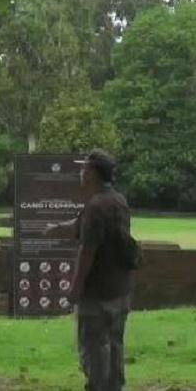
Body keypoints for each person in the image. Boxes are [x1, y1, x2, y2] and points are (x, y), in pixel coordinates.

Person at [70, 150, 133, 391]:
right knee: (115, 344)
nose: (81, 174)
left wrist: (75, 288)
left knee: (94, 348)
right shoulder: (118, 200)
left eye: (84, 169)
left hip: (97, 293)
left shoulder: (95, 207)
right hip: (120, 288)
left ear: (93, 173)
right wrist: (56, 229)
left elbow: (87, 252)